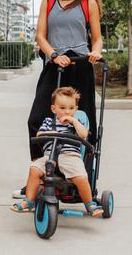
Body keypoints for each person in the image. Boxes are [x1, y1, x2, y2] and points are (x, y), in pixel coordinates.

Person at [15, 0, 103, 199]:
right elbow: (40, 36)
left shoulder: (88, 3)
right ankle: (41, 173)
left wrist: (96, 51)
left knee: (84, 123)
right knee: (36, 120)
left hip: (81, 64)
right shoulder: (48, 1)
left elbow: (96, 38)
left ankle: (82, 179)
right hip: (55, 65)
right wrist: (53, 54)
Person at [11, 87, 103, 217]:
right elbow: (39, 134)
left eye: (71, 108)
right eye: (63, 108)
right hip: (50, 156)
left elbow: (83, 135)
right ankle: (29, 201)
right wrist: (51, 133)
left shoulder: (76, 123)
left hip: (70, 156)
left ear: (76, 109)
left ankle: (90, 204)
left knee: (81, 177)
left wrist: (74, 121)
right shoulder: (49, 122)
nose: (67, 111)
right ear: (54, 109)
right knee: (34, 169)